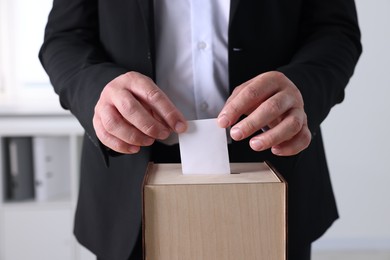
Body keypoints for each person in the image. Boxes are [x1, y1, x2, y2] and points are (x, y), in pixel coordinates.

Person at [39, 0, 361, 259]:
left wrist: (302, 89)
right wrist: (98, 90)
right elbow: (64, 38)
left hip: (272, 176)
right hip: (129, 189)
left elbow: (335, 30)